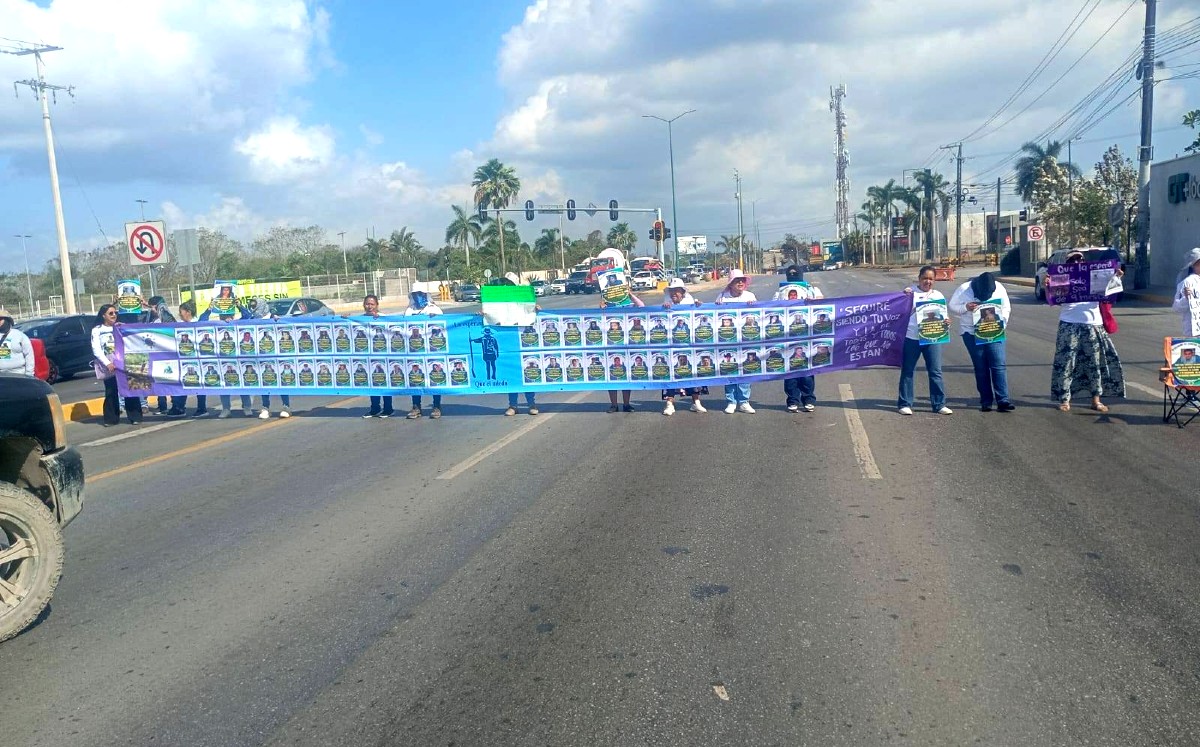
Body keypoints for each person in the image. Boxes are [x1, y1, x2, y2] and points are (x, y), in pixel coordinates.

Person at [1045, 251, 1125, 412]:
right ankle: (1065, 399)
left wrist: (1117, 277)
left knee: (1094, 363)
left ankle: (1096, 399)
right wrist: (1048, 285)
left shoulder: (1096, 274)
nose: (1076, 262)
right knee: (1066, 362)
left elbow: (1111, 293)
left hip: (1093, 324)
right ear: (1067, 263)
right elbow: (1053, 299)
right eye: (1072, 260)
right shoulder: (1062, 277)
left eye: (1079, 258)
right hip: (1069, 324)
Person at [949, 272, 1014, 412]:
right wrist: (965, 307)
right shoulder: (964, 288)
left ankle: (1003, 400)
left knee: (998, 365)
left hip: (994, 331)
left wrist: (1001, 323)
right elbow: (952, 306)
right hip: (971, 333)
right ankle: (986, 401)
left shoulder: (999, 288)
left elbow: (1006, 307)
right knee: (981, 367)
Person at [898, 265, 952, 415]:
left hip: (932, 339)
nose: (927, 281)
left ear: (934, 280)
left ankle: (939, 404)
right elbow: (899, 314)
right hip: (911, 338)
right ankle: (905, 403)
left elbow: (944, 316)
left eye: (931, 279)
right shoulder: (909, 294)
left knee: (935, 371)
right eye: (924, 278)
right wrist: (907, 301)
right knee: (908, 371)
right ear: (919, 279)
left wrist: (946, 322)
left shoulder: (939, 296)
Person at [774, 265, 821, 413]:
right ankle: (792, 400)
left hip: (807, 337)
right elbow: (772, 307)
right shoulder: (779, 292)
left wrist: (813, 299)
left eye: (796, 275)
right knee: (790, 371)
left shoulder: (811, 289)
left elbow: (823, 300)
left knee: (807, 371)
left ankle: (808, 398)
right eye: (791, 275)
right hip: (788, 338)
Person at [659, 279, 706, 415]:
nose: (674, 293)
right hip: (672, 346)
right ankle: (669, 404)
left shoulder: (690, 302)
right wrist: (664, 308)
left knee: (692, 371)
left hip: (689, 345)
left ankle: (696, 402)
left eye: (677, 291)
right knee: (671, 373)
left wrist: (699, 306)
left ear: (683, 292)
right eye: (672, 291)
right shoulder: (667, 303)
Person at [714, 269, 757, 414]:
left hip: (746, 340)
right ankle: (731, 401)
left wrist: (754, 306)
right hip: (728, 341)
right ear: (731, 283)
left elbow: (758, 317)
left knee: (745, 370)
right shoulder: (722, 297)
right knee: (729, 368)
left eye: (742, 280)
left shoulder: (750, 296)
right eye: (737, 280)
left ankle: (744, 401)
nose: (740, 283)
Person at [92, 304, 142, 425]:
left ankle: (135, 416)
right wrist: (107, 363)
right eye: (111, 313)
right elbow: (96, 349)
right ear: (103, 315)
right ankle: (111, 419)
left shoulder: (121, 327)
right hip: (109, 366)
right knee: (111, 391)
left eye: (115, 313)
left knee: (130, 389)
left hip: (124, 363)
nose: (114, 315)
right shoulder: (97, 330)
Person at [601, 290, 643, 413]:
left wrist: (630, 294)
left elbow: (642, 306)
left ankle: (626, 404)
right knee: (612, 376)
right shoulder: (608, 306)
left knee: (625, 375)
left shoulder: (629, 305)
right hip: (611, 346)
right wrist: (602, 306)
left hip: (627, 346)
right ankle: (614, 404)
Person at [405, 290, 445, 419]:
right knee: (416, 379)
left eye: (421, 294)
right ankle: (416, 406)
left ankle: (436, 406)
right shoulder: (409, 310)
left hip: (433, 351)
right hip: (415, 351)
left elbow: (443, 326)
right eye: (416, 294)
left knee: (435, 378)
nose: (418, 297)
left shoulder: (435, 309)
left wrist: (436, 319)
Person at [360, 294, 394, 418]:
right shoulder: (360, 319)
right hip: (369, 357)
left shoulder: (384, 318)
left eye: (372, 304)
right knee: (372, 382)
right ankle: (374, 408)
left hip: (384, 356)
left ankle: (388, 408)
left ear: (377, 305)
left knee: (385, 382)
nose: (369, 306)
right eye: (367, 304)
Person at [1172, 247, 1200, 336]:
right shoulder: (1187, 283)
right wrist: (1186, 298)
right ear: (1192, 265)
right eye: (1198, 263)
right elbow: (1176, 307)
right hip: (1193, 332)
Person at [0, 307, 35, 377]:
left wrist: (29, 374)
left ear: (7, 320)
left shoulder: (19, 335)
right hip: (2, 377)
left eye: (0, 319)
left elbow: (29, 355)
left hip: (19, 376)